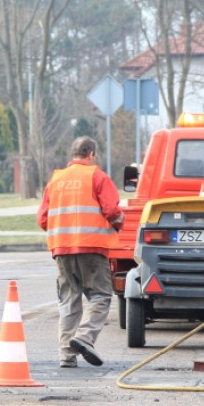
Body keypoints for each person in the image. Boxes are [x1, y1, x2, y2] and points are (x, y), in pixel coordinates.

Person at [37, 137, 124, 368]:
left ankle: (66, 354)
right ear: (91, 155)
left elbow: (42, 219)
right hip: (92, 248)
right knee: (101, 296)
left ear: (73, 154)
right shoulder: (97, 176)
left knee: (68, 300)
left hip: (62, 250)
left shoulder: (55, 180)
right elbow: (112, 210)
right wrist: (119, 223)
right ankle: (84, 338)